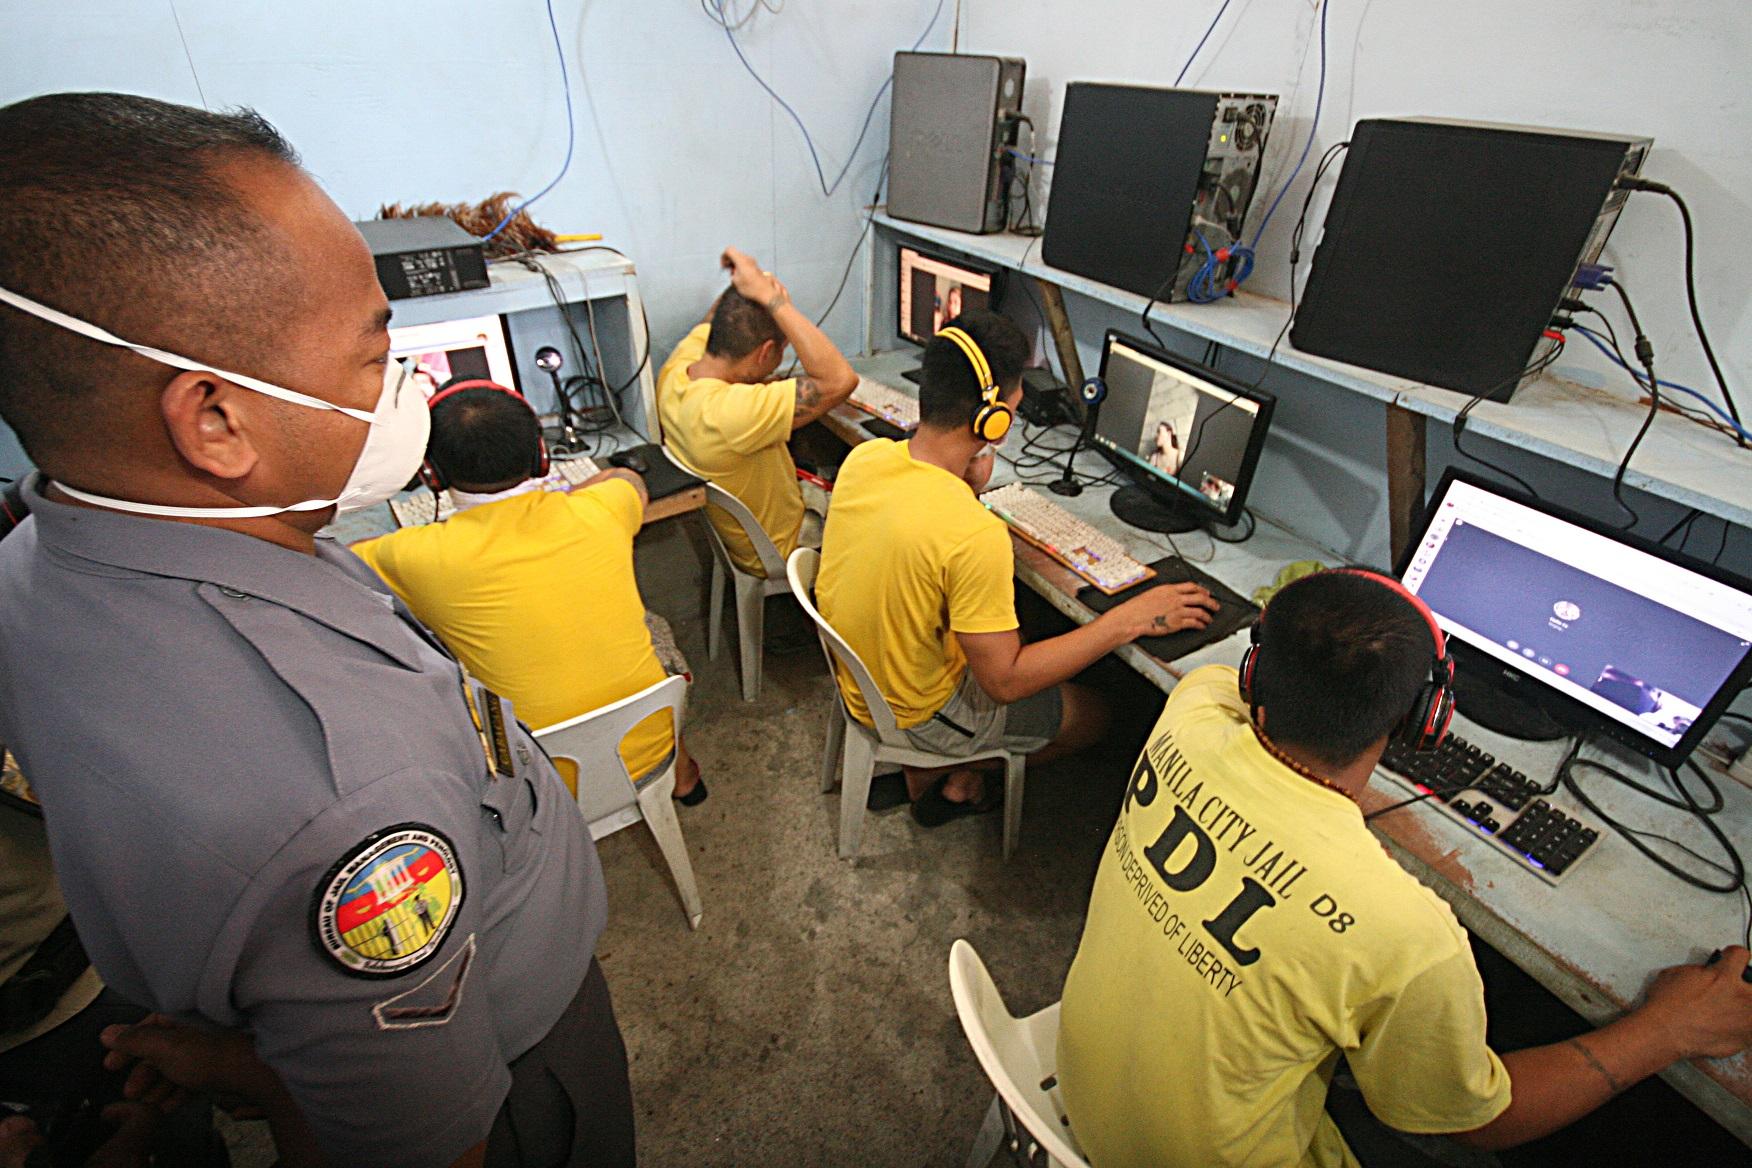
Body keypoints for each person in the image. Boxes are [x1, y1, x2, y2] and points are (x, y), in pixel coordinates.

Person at [0, 93, 633, 1167]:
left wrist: (262, 1039)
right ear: (214, 418)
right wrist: (273, 1076)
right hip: (520, 1068)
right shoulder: (349, 809)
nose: (405, 389)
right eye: (374, 350)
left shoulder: (32, 567)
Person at [1056, 568, 1752, 1167]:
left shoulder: (1194, 708)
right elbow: (1485, 1124)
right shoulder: (1408, 934)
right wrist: (1670, 1028)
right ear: (1428, 722)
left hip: (1085, 1095)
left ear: (1252, 671)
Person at [815, 311, 1221, 824]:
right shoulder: (972, 533)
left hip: (865, 676)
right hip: (920, 712)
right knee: (1105, 716)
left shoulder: (867, 461)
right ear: (993, 420)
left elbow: (920, 527)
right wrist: (1127, 620)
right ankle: (960, 777)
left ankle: (949, 771)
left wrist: (966, 487)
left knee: (1034, 629)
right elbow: (1003, 683)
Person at [352, 378, 704, 801]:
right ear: (541, 455)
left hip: (533, 781)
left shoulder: (409, 555)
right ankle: (682, 776)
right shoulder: (602, 509)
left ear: (431, 473)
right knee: (651, 630)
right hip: (652, 742)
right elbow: (628, 479)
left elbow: (337, 562)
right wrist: (571, 495)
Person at [658, 247, 857, 578]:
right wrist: (772, 300)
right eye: (780, 352)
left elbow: (715, 319)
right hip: (786, 545)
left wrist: (751, 284)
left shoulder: (678, 370)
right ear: (766, 352)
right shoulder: (731, 413)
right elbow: (840, 380)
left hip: (744, 538)